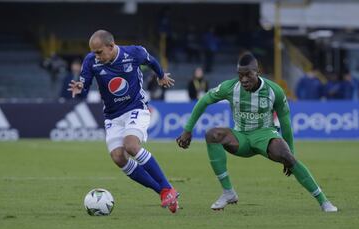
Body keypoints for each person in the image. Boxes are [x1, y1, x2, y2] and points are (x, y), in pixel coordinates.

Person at [176, 53, 337, 212]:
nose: (244, 79)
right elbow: (203, 101)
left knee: (288, 157)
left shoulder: (275, 91)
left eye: (248, 75)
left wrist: (291, 153)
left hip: (265, 135)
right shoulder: (230, 87)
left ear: (257, 72)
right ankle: (228, 192)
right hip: (241, 138)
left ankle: (324, 201)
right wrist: (187, 130)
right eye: (240, 75)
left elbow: (285, 124)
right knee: (212, 134)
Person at [67, 30, 179, 213]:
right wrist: (80, 86)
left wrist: (161, 76)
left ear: (111, 46)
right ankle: (163, 191)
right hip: (112, 116)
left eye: (99, 52)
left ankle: (167, 187)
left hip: (136, 108)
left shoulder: (134, 53)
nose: (96, 56)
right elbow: (85, 85)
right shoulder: (90, 60)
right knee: (118, 157)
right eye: (94, 52)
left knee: (131, 146)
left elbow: (151, 61)